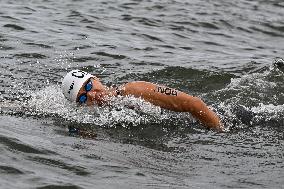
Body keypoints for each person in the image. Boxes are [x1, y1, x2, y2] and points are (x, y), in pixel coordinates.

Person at [62, 70, 224, 131]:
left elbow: (194, 104)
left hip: (220, 119)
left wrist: (221, 132)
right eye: (82, 98)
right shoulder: (103, 114)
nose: (90, 95)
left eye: (88, 86)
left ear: (96, 78)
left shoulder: (132, 91)